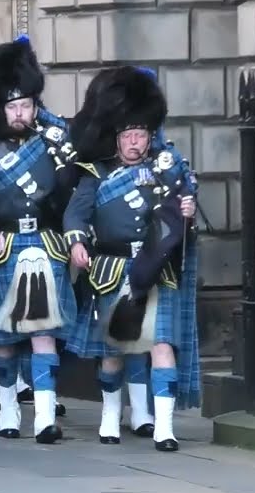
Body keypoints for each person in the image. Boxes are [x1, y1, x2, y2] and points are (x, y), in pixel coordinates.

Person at [63, 66, 200, 451]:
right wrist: (76, 242)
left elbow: (184, 215)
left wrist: (187, 211)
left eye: (141, 134)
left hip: (157, 268)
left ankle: (165, 427)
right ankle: (110, 414)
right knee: (113, 353)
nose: (136, 142)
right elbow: (76, 214)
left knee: (162, 346)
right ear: (116, 137)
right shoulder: (97, 174)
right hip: (113, 268)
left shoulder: (169, 169)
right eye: (129, 135)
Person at [0, 37, 77, 444]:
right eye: (12, 107)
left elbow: (70, 193)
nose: (20, 113)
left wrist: (64, 158)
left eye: (26, 105)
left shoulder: (53, 139)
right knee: (6, 342)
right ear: (0, 108)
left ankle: (45, 416)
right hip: (6, 246)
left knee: (44, 334)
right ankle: (9, 408)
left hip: (46, 244)